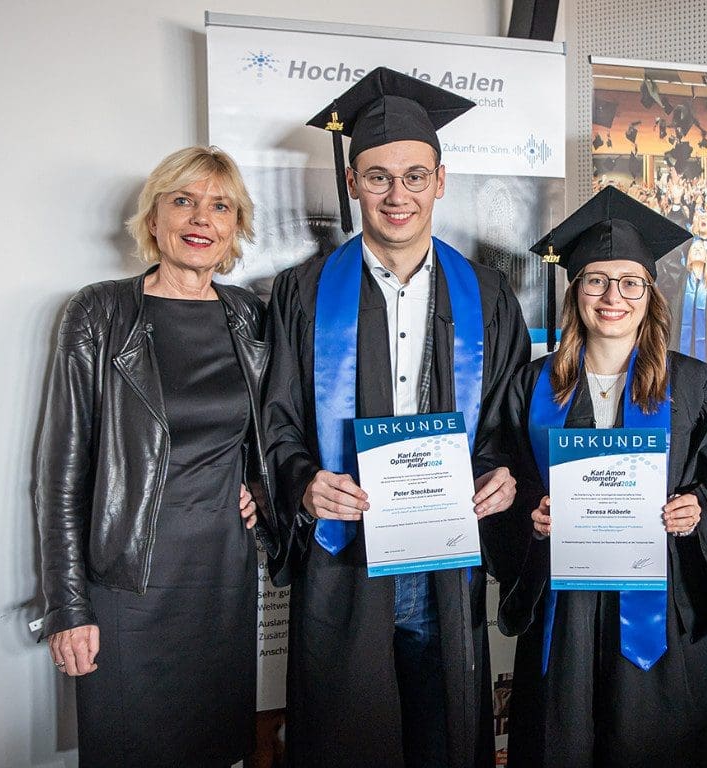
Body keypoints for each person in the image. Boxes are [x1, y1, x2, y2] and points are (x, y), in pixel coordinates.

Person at [262, 67, 530, 768]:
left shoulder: (488, 295)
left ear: (441, 182)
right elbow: (279, 418)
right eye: (377, 177)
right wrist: (303, 482)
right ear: (352, 184)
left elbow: (506, 421)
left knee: (444, 730)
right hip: (345, 558)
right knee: (349, 732)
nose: (397, 194)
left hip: (445, 559)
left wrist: (501, 475)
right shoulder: (305, 291)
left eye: (414, 176)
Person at [36, 146, 280, 767]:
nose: (201, 218)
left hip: (221, 581)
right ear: (154, 219)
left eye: (219, 205)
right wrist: (68, 606)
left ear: (235, 228)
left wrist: (256, 481)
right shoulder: (100, 312)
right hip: (127, 583)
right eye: (184, 200)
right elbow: (60, 476)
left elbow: (269, 430)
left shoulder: (250, 316)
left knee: (214, 750)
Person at [498, 187, 707, 768]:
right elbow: (501, 475)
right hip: (567, 613)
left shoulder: (694, 386)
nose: (614, 297)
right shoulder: (532, 386)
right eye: (596, 281)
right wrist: (529, 512)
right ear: (574, 292)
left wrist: (696, 512)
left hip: (657, 613)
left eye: (630, 282)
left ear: (650, 292)